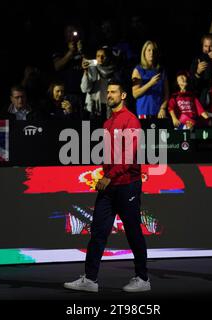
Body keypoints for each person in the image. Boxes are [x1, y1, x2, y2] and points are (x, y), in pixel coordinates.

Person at [64, 80, 150, 293]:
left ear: (123, 96)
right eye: (108, 92)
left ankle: (143, 278)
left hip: (127, 185)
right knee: (98, 232)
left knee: (133, 232)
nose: (109, 95)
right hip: (109, 186)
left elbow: (129, 157)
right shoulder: (107, 123)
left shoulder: (131, 121)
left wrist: (109, 176)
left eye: (113, 92)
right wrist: (104, 175)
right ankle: (90, 279)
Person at [132, 40, 169, 119]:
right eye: (149, 50)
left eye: (154, 50)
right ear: (144, 52)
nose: (151, 53)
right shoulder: (138, 70)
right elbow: (135, 94)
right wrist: (150, 83)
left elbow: (166, 93)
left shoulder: (161, 70)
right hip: (144, 112)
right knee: (146, 132)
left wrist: (163, 108)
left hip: (159, 113)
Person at [81, 47, 119, 120]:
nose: (100, 58)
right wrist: (85, 72)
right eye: (98, 56)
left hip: (109, 106)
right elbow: (84, 89)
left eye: (103, 56)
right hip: (94, 106)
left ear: (108, 57)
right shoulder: (92, 68)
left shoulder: (114, 70)